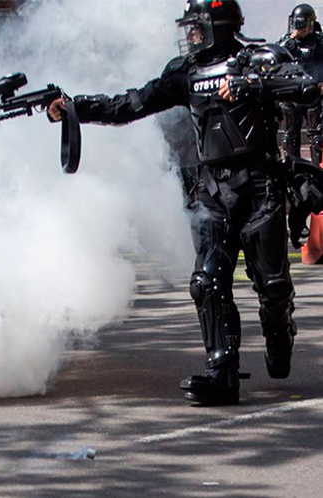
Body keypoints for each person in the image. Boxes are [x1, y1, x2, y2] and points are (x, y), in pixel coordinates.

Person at [48, 0, 319, 405]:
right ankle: (221, 373)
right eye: (188, 28)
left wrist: (252, 85)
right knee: (207, 280)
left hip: (259, 188)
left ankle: (280, 337)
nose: (191, 35)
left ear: (220, 25)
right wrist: (75, 107)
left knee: (274, 287)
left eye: (198, 27)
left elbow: (307, 86)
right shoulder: (185, 71)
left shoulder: (260, 58)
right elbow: (131, 104)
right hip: (211, 191)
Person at [279, 4, 323, 165]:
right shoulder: (288, 42)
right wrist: (292, 39)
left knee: (316, 136)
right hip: (292, 95)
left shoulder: (319, 42)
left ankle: (317, 173)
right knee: (290, 136)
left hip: (312, 95)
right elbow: (276, 55)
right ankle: (292, 170)